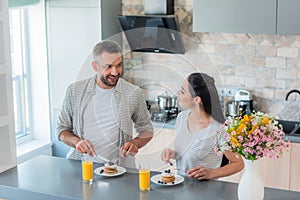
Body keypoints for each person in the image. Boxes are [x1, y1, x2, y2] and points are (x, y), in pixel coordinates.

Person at [57, 40, 154, 168]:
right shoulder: (74, 91)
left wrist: (135, 143)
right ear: (95, 66)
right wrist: (77, 142)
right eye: (108, 66)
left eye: (119, 65)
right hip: (80, 167)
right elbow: (61, 129)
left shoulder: (133, 93)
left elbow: (147, 130)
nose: (115, 72)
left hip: (120, 170)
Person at [161, 73, 244, 180]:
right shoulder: (181, 118)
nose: (178, 93)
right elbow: (187, 152)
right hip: (182, 187)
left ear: (196, 100)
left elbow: (238, 163)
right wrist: (172, 154)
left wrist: (210, 173)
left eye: (182, 91)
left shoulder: (219, 130)